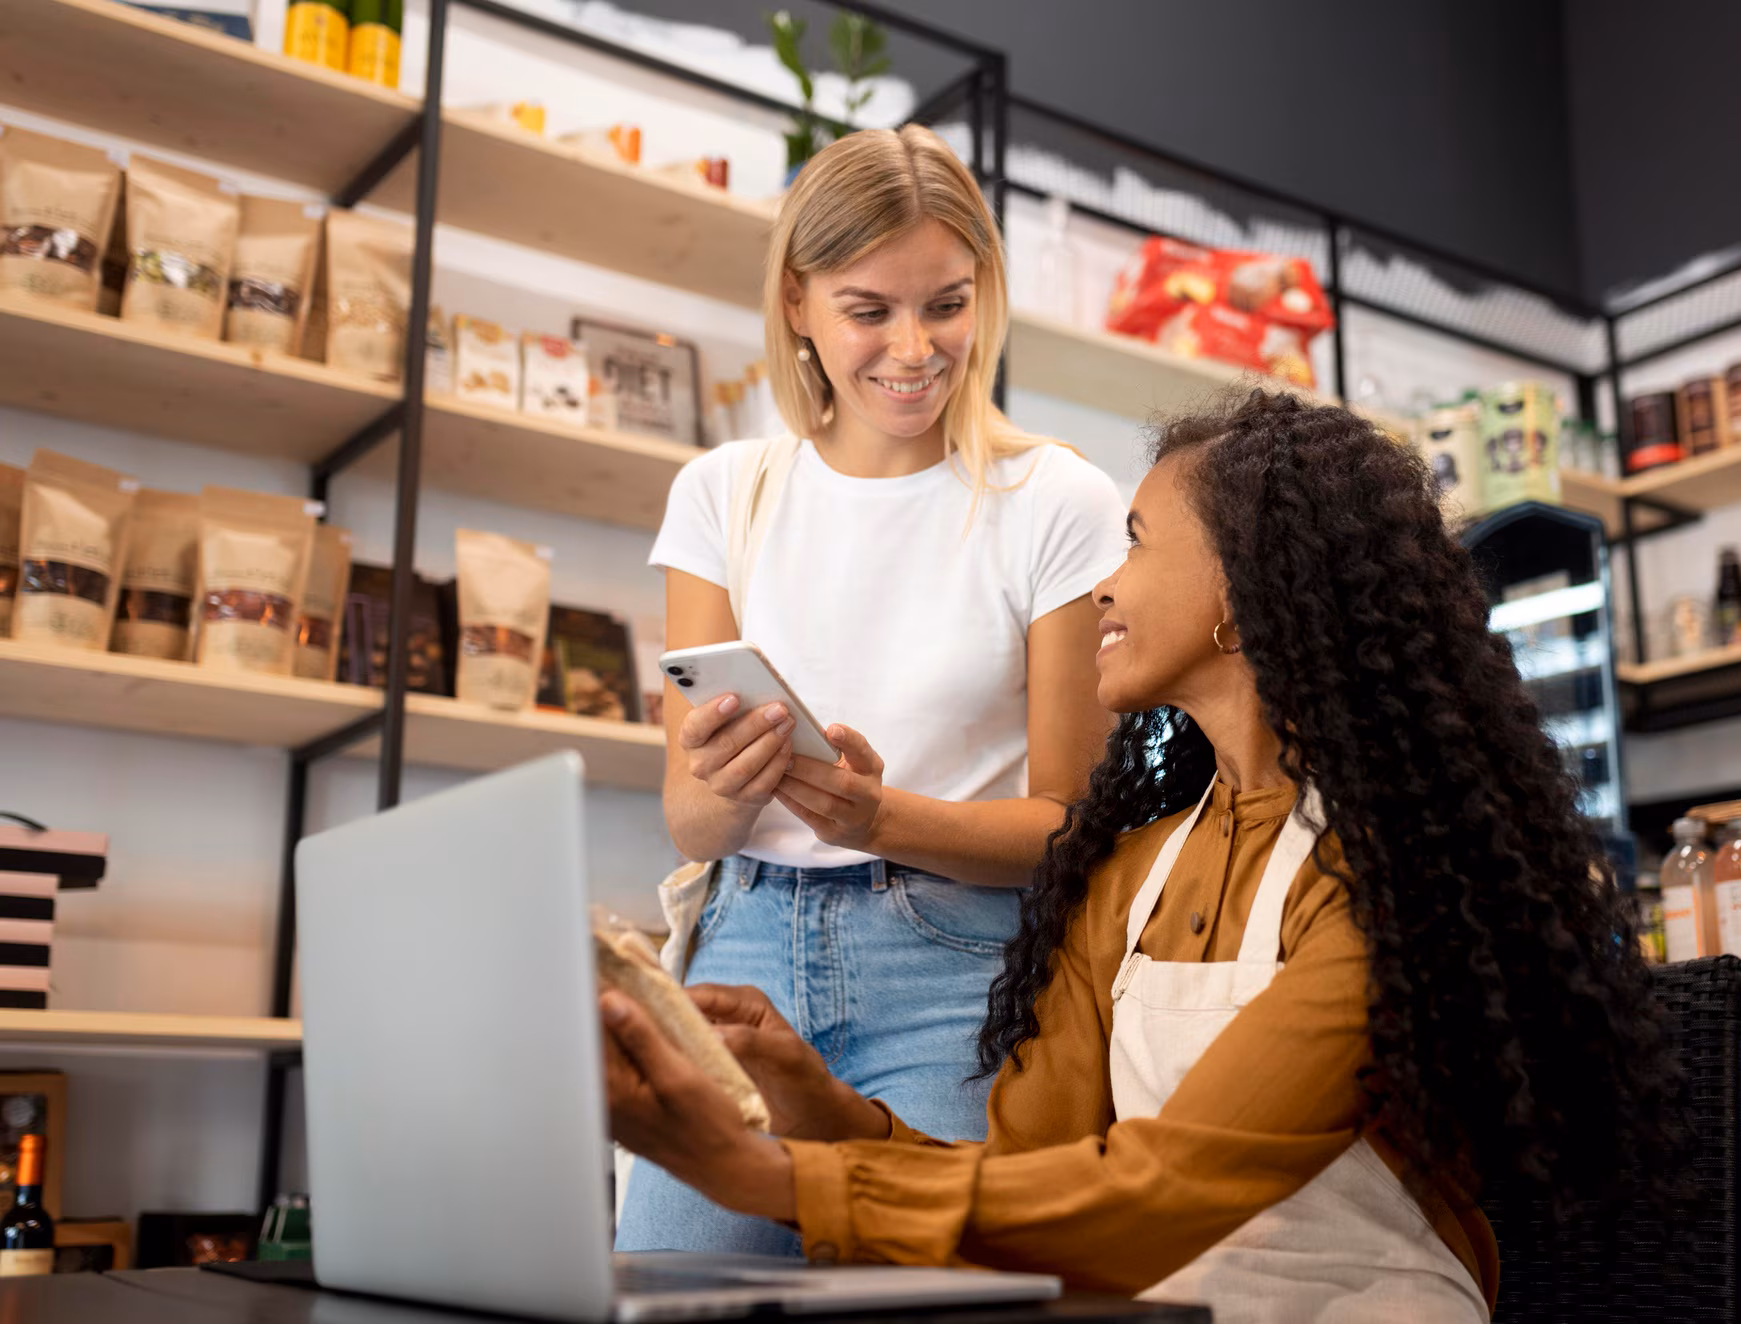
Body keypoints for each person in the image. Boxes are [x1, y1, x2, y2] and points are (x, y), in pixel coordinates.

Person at [602, 390, 1682, 1321]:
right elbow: (1031, 1185)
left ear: (1240, 592)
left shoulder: (1383, 879)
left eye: (1134, 543)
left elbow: (1164, 1188)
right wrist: (819, 1110)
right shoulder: (1128, 874)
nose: (1102, 587)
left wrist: (765, 1176)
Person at [622, 124, 1126, 1256]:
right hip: (743, 948)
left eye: (946, 305)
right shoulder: (722, 494)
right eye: (869, 310)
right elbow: (689, 823)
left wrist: (879, 818)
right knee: (668, 1290)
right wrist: (731, 785)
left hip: (959, 967)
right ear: (797, 302)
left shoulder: (1055, 501)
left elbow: (1069, 829)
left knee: (924, 1296)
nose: (913, 347)